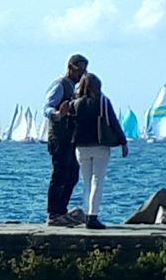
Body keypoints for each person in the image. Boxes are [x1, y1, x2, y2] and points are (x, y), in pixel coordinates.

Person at [70, 71, 128, 229]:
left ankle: (87, 215)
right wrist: (123, 142)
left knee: (87, 182)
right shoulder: (103, 101)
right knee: (98, 181)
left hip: (81, 147)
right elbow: (114, 122)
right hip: (100, 145)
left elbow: (70, 126)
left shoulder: (75, 103)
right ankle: (92, 216)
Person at [43, 53, 88, 225]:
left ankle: (62, 211)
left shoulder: (77, 88)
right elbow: (47, 108)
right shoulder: (60, 85)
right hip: (59, 137)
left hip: (71, 138)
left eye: (84, 70)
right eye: (79, 70)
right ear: (70, 67)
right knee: (59, 174)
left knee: (72, 175)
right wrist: (57, 114)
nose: (82, 74)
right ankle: (54, 214)